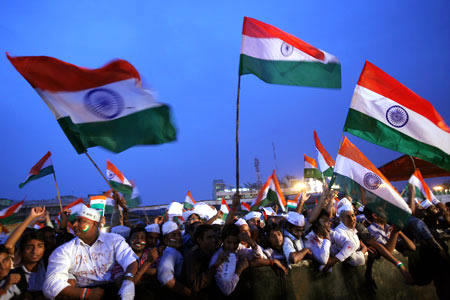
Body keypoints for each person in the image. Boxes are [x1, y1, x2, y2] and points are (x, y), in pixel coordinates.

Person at [43, 205, 138, 300]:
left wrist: (128, 282)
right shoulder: (65, 250)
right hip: (80, 293)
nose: (75, 224)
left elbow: (130, 261)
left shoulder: (114, 240)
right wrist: (85, 294)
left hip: (113, 290)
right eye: (75, 220)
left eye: (80, 221)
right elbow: (51, 284)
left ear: (95, 224)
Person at [4, 207, 47, 298]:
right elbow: (8, 246)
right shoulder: (16, 266)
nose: (35, 251)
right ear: (22, 250)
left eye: (40, 246)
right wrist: (30, 217)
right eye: (29, 247)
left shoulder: (48, 265)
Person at [183, 224, 224, 298]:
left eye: (214, 237)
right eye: (209, 237)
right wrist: (215, 266)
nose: (214, 240)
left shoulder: (213, 251)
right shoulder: (192, 257)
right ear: (199, 240)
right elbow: (196, 285)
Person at [209, 224, 250, 296]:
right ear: (223, 241)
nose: (232, 246)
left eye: (235, 243)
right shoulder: (217, 259)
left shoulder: (239, 249)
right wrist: (239, 270)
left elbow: (258, 255)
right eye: (229, 242)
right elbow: (227, 290)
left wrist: (252, 243)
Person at [325, 204, 367, 270]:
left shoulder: (351, 229)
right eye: (348, 217)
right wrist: (364, 248)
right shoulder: (339, 232)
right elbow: (353, 260)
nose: (352, 219)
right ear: (341, 219)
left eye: (353, 215)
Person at [157, 221, 191, 298]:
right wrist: (190, 294)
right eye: (173, 235)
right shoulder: (170, 253)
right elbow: (166, 279)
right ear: (165, 240)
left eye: (179, 234)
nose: (178, 238)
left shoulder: (176, 249)